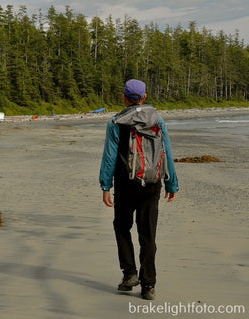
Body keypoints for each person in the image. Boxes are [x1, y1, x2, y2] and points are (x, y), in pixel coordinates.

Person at [99, 79, 179, 300]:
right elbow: (167, 152)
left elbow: (110, 157)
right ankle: (148, 286)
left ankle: (129, 274)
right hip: (152, 183)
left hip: (126, 183)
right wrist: (172, 183)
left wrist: (106, 185)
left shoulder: (116, 122)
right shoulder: (158, 120)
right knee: (148, 235)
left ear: (124, 97)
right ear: (144, 98)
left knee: (122, 227)